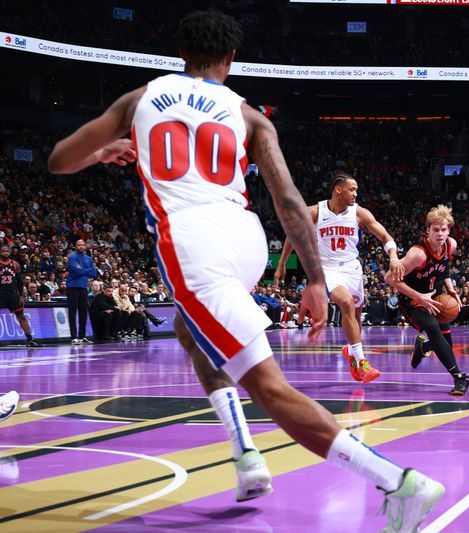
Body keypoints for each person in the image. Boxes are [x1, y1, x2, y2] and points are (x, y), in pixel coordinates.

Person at [48, 10, 443, 529]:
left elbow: (58, 159)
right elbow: (286, 199)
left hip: (194, 246)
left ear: (181, 53)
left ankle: (398, 483)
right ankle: (246, 454)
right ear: (230, 58)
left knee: (269, 388)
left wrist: (104, 151)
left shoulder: (139, 100)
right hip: (245, 237)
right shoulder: (250, 114)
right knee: (191, 331)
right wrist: (317, 281)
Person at [274, 172, 404, 384]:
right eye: (352, 189)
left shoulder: (359, 213)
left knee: (356, 319)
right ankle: (362, 362)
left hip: (353, 268)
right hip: (328, 268)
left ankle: (352, 353)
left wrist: (393, 256)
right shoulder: (316, 211)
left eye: (356, 190)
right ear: (338, 189)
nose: (355, 193)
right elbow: (292, 233)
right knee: (345, 304)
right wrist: (281, 264)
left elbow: (385, 236)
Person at [386, 205, 469, 395]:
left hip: (434, 297)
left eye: (444, 229)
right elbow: (389, 278)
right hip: (411, 299)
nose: (440, 234)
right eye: (436, 229)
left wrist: (450, 288)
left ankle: (423, 347)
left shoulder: (451, 245)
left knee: (445, 342)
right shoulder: (418, 254)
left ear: (449, 230)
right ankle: (459, 378)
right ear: (428, 230)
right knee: (433, 327)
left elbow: (444, 267)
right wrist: (419, 297)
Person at [0, 245, 41, 347]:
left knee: (21, 316)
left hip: (13, 293)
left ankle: (30, 339)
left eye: (7, 251)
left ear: (9, 252)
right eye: (3, 251)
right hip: (1, 293)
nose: (5, 253)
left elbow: (20, 281)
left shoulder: (15, 264)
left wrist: (21, 295)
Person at [66, 239, 97, 344]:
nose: (81, 246)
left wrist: (84, 269)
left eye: (82, 245)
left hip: (84, 287)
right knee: (72, 312)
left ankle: (82, 336)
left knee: (83, 312)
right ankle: (73, 337)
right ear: (75, 246)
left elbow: (94, 274)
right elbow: (77, 272)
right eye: (79, 245)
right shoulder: (73, 257)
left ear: (85, 246)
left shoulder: (89, 258)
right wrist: (88, 269)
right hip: (72, 287)